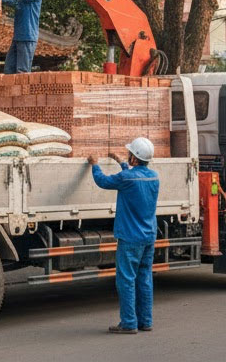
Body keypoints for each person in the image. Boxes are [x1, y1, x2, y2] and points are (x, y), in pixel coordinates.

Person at [87, 137, 159, 334]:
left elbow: (103, 181)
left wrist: (94, 164)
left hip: (130, 237)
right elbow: (132, 176)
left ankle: (128, 323)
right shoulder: (154, 177)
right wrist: (121, 162)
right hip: (148, 236)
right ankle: (145, 321)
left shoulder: (127, 179)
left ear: (134, 158)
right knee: (144, 279)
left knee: (126, 280)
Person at [0, 0, 45, 74]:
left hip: (28, 37)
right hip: (18, 36)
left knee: (22, 72)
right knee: (9, 70)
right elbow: (16, 1)